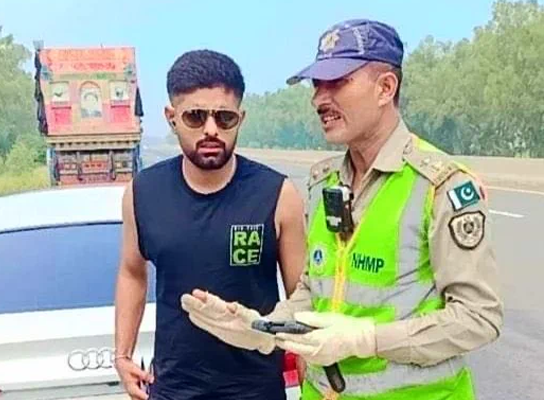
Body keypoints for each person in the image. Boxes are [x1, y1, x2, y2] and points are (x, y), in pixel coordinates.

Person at [181, 19, 503, 400]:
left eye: (337, 82)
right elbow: (313, 290)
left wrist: (368, 340)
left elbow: (478, 317)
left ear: (386, 87)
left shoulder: (439, 185)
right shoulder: (324, 183)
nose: (320, 99)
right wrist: (261, 327)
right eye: (317, 85)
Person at [113, 49, 307, 400]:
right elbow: (132, 272)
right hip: (173, 389)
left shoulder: (277, 195)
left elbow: (302, 302)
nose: (211, 130)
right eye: (195, 117)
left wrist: (314, 388)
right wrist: (122, 354)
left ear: (241, 118)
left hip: (256, 390)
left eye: (225, 118)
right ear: (172, 118)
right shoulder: (142, 193)